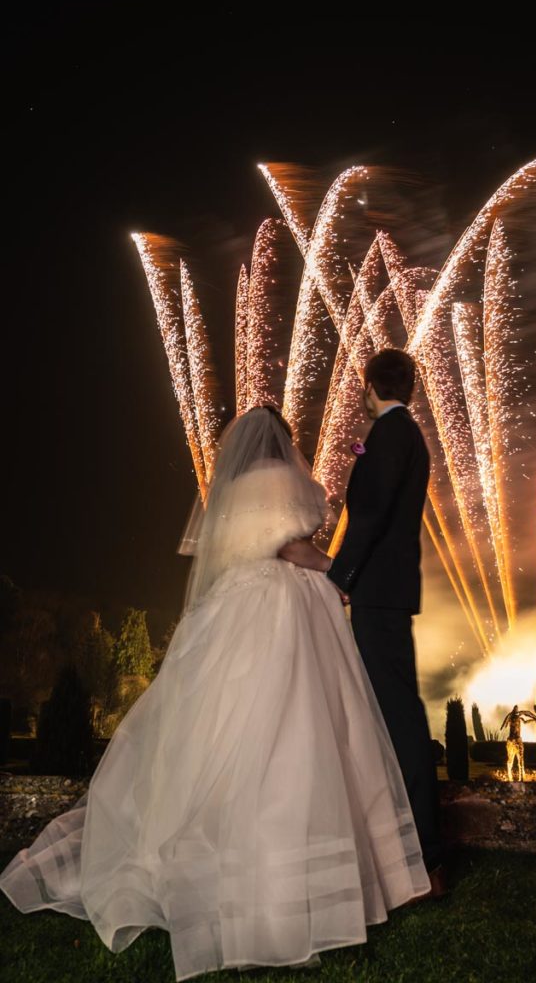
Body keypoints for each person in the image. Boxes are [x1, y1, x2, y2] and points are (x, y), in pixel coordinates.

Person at [0, 405, 431, 980]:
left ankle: (215, 870)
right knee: (305, 729)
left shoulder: (228, 493)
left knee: (222, 726)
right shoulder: (287, 483)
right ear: (283, 445)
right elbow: (292, 550)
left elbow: (232, 551)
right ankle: (306, 887)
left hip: (233, 605)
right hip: (285, 608)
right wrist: (339, 575)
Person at [279, 349, 447, 899]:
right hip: (392, 590)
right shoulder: (405, 434)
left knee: (397, 715)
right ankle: (409, 847)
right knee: (392, 709)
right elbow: (378, 494)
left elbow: (370, 513)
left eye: (362, 385)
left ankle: (425, 857)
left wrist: (341, 574)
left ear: (372, 385)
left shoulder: (388, 436)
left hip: (378, 591)